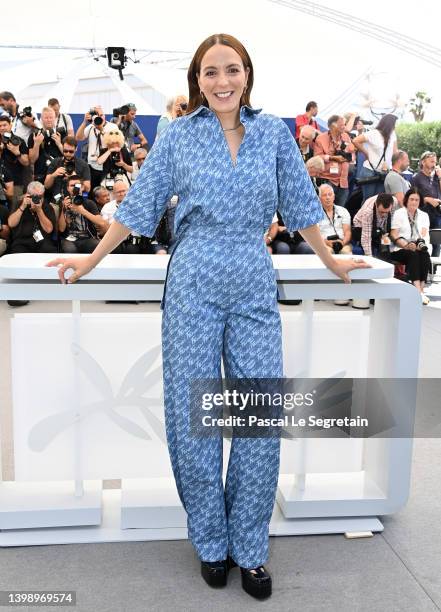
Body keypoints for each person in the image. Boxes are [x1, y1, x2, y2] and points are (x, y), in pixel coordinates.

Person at [47, 33, 369, 600]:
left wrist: (334, 262)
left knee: (257, 417)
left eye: (233, 70)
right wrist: (91, 260)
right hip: (193, 280)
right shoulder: (178, 138)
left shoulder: (274, 134)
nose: (222, 82)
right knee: (193, 414)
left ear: (247, 75)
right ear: (197, 80)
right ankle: (210, 541)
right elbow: (140, 204)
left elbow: (300, 205)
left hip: (251, 278)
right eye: (211, 72)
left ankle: (250, 547)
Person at [390, 188, 431, 304]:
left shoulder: (424, 215)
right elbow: (394, 234)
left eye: (417, 200)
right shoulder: (399, 213)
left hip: (418, 247)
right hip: (400, 248)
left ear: (420, 202)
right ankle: (418, 291)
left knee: (424, 255)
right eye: (412, 199)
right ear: (407, 200)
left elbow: (425, 234)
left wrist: (419, 245)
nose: (414, 202)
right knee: (413, 255)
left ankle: (421, 290)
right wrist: (406, 245)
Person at [294, 183, 352, 255]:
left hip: (341, 242)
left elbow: (347, 232)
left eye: (330, 195)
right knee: (328, 252)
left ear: (334, 197)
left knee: (346, 252)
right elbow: (314, 235)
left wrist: (343, 242)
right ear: (319, 198)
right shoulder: (314, 213)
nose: (328, 197)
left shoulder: (343, 211)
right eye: (325, 195)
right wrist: (326, 242)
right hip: (322, 243)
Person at [353, 114, 398, 201]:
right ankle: (364, 215)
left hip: (385, 172)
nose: (395, 127)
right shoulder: (373, 133)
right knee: (368, 201)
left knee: (380, 201)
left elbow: (395, 151)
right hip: (370, 171)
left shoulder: (392, 134)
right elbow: (355, 141)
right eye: (394, 124)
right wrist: (366, 153)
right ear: (388, 124)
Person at [314, 114, 354, 207]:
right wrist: (332, 157)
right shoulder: (321, 138)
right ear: (333, 126)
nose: (344, 127)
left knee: (340, 210)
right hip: (328, 180)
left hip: (343, 182)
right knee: (324, 209)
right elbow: (317, 158)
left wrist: (349, 156)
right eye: (342, 125)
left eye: (344, 124)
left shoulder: (346, 136)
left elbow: (352, 155)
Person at [58, 176, 105, 253]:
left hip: (87, 238)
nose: (75, 188)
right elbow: (61, 229)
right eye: (72, 185)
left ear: (82, 187)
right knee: (70, 249)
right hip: (69, 238)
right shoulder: (64, 203)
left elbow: (100, 222)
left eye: (77, 185)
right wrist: (63, 209)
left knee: (97, 245)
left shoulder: (89, 203)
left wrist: (82, 211)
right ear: (67, 188)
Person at [353, 192, 399, 258]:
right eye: (381, 212)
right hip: (360, 226)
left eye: (386, 212)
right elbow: (366, 238)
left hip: (379, 226)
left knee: (385, 244)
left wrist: (385, 233)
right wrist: (370, 258)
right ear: (376, 204)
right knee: (371, 243)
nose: (384, 215)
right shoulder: (368, 212)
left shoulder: (394, 202)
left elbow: (390, 219)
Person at [27, 107, 63, 183]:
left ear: (55, 119)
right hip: (40, 175)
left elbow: (69, 155)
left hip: (58, 174)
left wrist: (59, 144)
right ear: (41, 119)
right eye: (46, 118)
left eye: (51, 117)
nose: (49, 120)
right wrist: (37, 144)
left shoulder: (61, 134)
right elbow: (32, 160)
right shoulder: (34, 135)